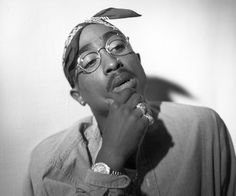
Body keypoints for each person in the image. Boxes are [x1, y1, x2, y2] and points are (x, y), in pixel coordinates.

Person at [23, 8, 236, 196]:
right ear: (78, 96)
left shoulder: (203, 128)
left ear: (139, 61)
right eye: (88, 61)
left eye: (117, 46)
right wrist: (109, 161)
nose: (112, 63)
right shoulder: (48, 164)